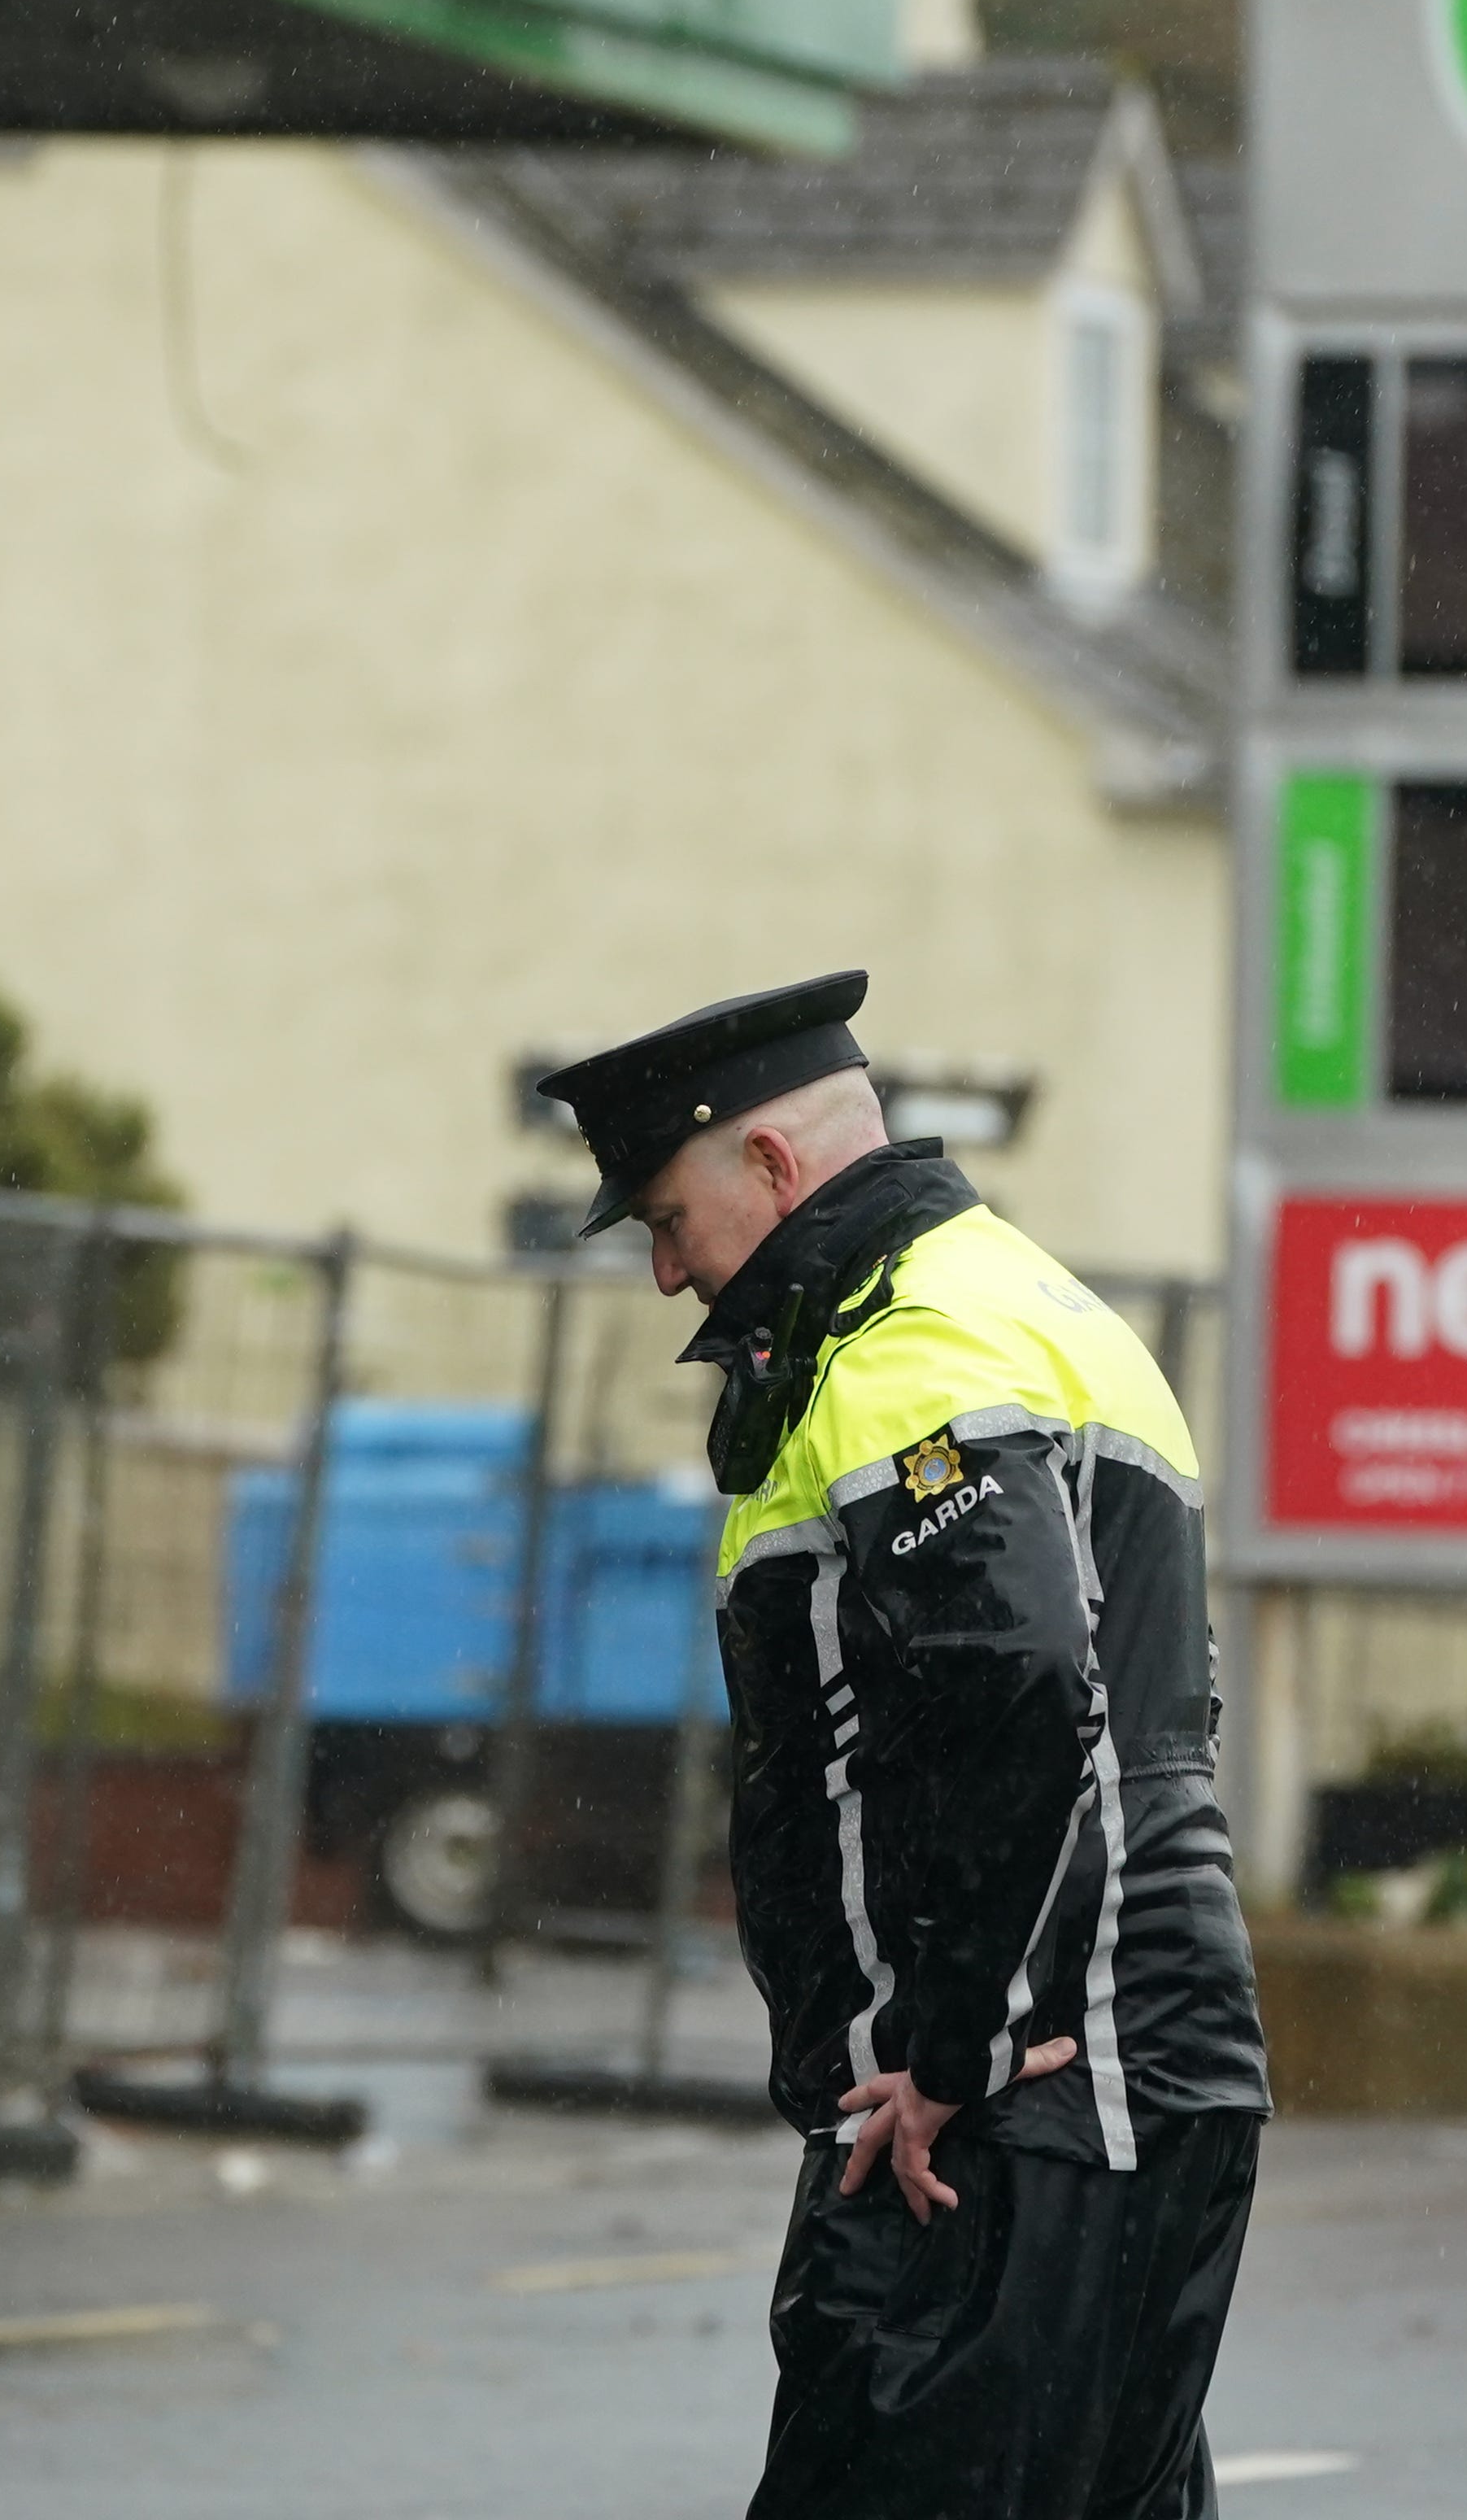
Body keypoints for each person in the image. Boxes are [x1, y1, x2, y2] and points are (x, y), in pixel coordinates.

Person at [538, 971, 1268, 2520]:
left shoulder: (906, 1347)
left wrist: (957, 2048)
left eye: (670, 1219)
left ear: (774, 1169)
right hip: (1120, 2066)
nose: (671, 1276)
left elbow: (1011, 1682)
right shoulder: (1022, 1300)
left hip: (1024, 2095)